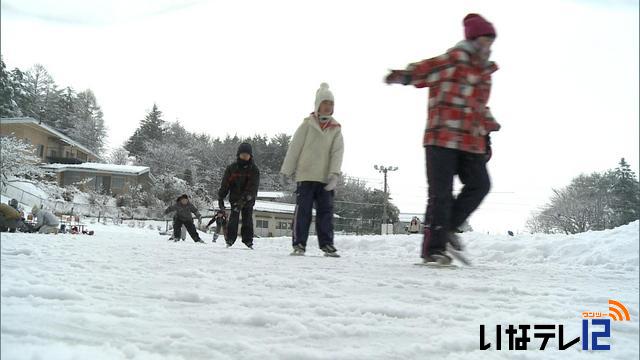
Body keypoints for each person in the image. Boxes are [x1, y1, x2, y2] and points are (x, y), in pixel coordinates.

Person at [385, 14, 501, 265]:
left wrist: (488, 128)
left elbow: (480, 105)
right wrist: (402, 76)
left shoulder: (485, 72)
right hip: (441, 137)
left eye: (490, 41)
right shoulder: (452, 60)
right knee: (441, 195)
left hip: (470, 141)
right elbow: (424, 70)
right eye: (484, 40)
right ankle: (434, 250)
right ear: (472, 39)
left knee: (480, 185)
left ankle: (447, 228)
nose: (487, 46)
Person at [280, 83, 344, 257]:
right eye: (325, 103)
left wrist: (334, 174)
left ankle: (327, 244)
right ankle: (299, 244)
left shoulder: (336, 129)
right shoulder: (307, 125)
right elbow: (295, 148)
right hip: (306, 176)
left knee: (326, 213)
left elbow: (337, 153)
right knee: (303, 212)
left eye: (331, 104)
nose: (328, 107)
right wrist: (287, 170)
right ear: (317, 105)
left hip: (325, 179)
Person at [218, 143, 260, 249]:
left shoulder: (254, 169)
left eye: (247, 154)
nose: (245, 156)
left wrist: (245, 199)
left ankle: (248, 240)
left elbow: (253, 187)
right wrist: (221, 196)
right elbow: (226, 183)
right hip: (235, 198)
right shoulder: (232, 168)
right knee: (233, 218)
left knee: (247, 218)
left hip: (248, 199)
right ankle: (230, 239)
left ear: (250, 156)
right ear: (239, 154)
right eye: (243, 154)